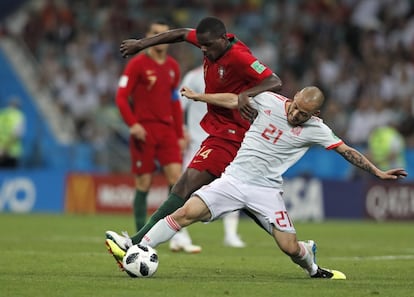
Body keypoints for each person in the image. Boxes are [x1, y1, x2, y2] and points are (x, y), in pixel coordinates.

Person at [108, 86, 407, 279]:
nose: (294, 114)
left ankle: (312, 266)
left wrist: (378, 173)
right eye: (294, 107)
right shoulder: (270, 101)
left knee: (289, 248)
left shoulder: (318, 129)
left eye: (303, 114)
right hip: (233, 180)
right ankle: (138, 249)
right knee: (185, 212)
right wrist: (201, 97)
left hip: (266, 191)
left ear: (314, 114)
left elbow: (347, 151)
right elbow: (235, 99)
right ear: (292, 99)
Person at [106, 16, 282, 268]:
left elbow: (274, 81)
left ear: (223, 39)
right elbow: (178, 33)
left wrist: (245, 95)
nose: (204, 50)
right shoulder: (207, 42)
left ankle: (134, 242)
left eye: (208, 46)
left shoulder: (240, 57)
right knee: (248, 205)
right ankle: (298, 248)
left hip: (234, 135)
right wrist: (141, 44)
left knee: (185, 184)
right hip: (220, 132)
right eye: (201, 45)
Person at [113, 19, 201, 254]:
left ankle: (176, 235)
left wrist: (180, 129)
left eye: (164, 34)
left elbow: (174, 100)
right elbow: (121, 97)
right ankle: (140, 237)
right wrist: (132, 125)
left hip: (167, 132)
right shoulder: (137, 64)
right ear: (148, 35)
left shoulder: (172, 67)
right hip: (144, 131)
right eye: (155, 33)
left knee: (177, 181)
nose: (160, 37)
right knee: (144, 183)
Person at [178, 65, 245, 248]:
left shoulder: (233, 76)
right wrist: (181, 130)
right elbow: (178, 106)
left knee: (232, 185)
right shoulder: (192, 76)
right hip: (197, 142)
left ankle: (231, 234)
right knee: (185, 187)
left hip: (224, 141)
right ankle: (179, 234)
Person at [0, 97, 25, 169]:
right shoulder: (18, 116)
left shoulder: (1, 114)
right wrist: (5, 149)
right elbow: (16, 135)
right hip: (12, 152)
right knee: (10, 177)